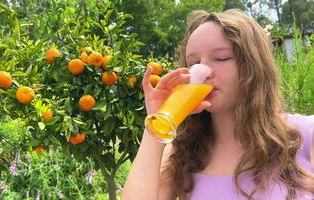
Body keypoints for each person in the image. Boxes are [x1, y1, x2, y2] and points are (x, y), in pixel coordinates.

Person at [121, 9, 314, 200]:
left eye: (221, 58)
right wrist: (157, 122)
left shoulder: (305, 136)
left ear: (254, 66)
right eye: (193, 62)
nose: (202, 71)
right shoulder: (182, 154)